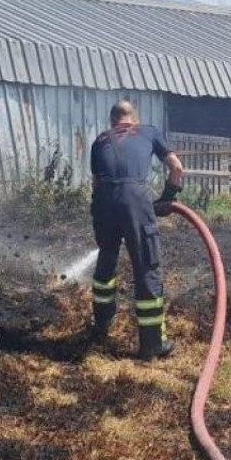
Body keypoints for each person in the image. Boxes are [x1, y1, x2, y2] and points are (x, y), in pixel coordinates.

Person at [88, 100, 185, 359]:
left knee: (106, 259)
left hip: (103, 201)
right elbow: (176, 167)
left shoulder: (99, 141)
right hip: (135, 199)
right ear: (134, 119)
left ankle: (100, 327)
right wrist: (168, 196)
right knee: (146, 267)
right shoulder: (148, 131)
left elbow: (96, 185)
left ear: (112, 122)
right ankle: (152, 345)